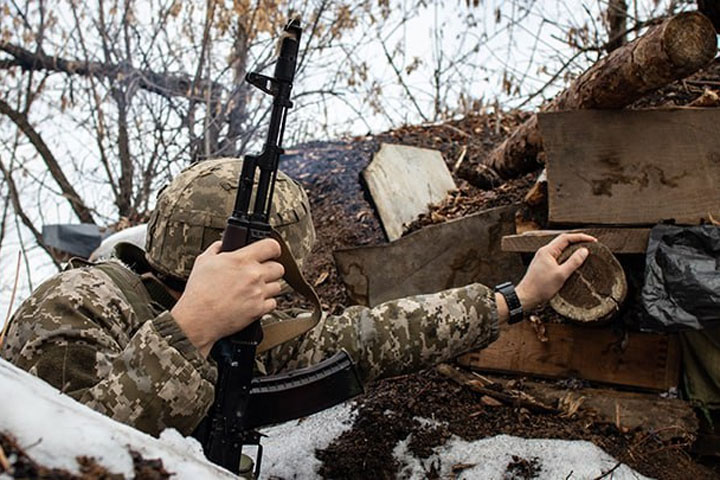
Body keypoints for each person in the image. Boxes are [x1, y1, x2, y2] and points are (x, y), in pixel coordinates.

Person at [1, 157, 594, 440]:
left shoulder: (245, 328)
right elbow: (54, 457)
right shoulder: (73, 307)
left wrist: (515, 298)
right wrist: (191, 329)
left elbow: (373, 336)